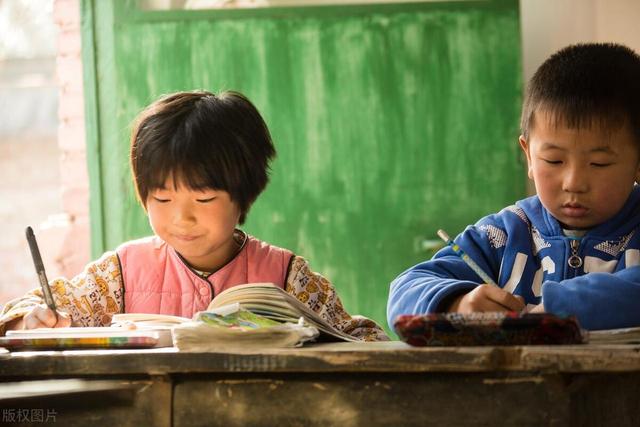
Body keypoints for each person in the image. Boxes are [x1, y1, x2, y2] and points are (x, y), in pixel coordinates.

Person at [1, 90, 388, 341]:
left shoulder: (288, 276)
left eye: (203, 200)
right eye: (163, 200)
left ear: (243, 194)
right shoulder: (118, 274)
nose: (181, 219)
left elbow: (366, 340)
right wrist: (31, 321)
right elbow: (28, 310)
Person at [387, 42, 640, 331]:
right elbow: (404, 290)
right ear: (529, 156)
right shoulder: (504, 234)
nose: (573, 183)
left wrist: (562, 306)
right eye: (554, 160)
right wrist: (456, 303)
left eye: (599, 164)